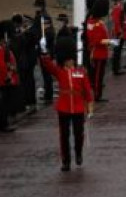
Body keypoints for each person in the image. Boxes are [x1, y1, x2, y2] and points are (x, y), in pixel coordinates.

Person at [39, 34, 94, 171]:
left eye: (70, 59)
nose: (69, 61)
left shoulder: (81, 72)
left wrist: (90, 108)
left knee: (78, 134)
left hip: (78, 107)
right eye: (67, 59)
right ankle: (66, 161)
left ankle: (78, 154)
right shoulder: (60, 71)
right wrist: (44, 51)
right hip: (63, 107)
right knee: (64, 136)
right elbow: (48, 65)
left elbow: (87, 92)